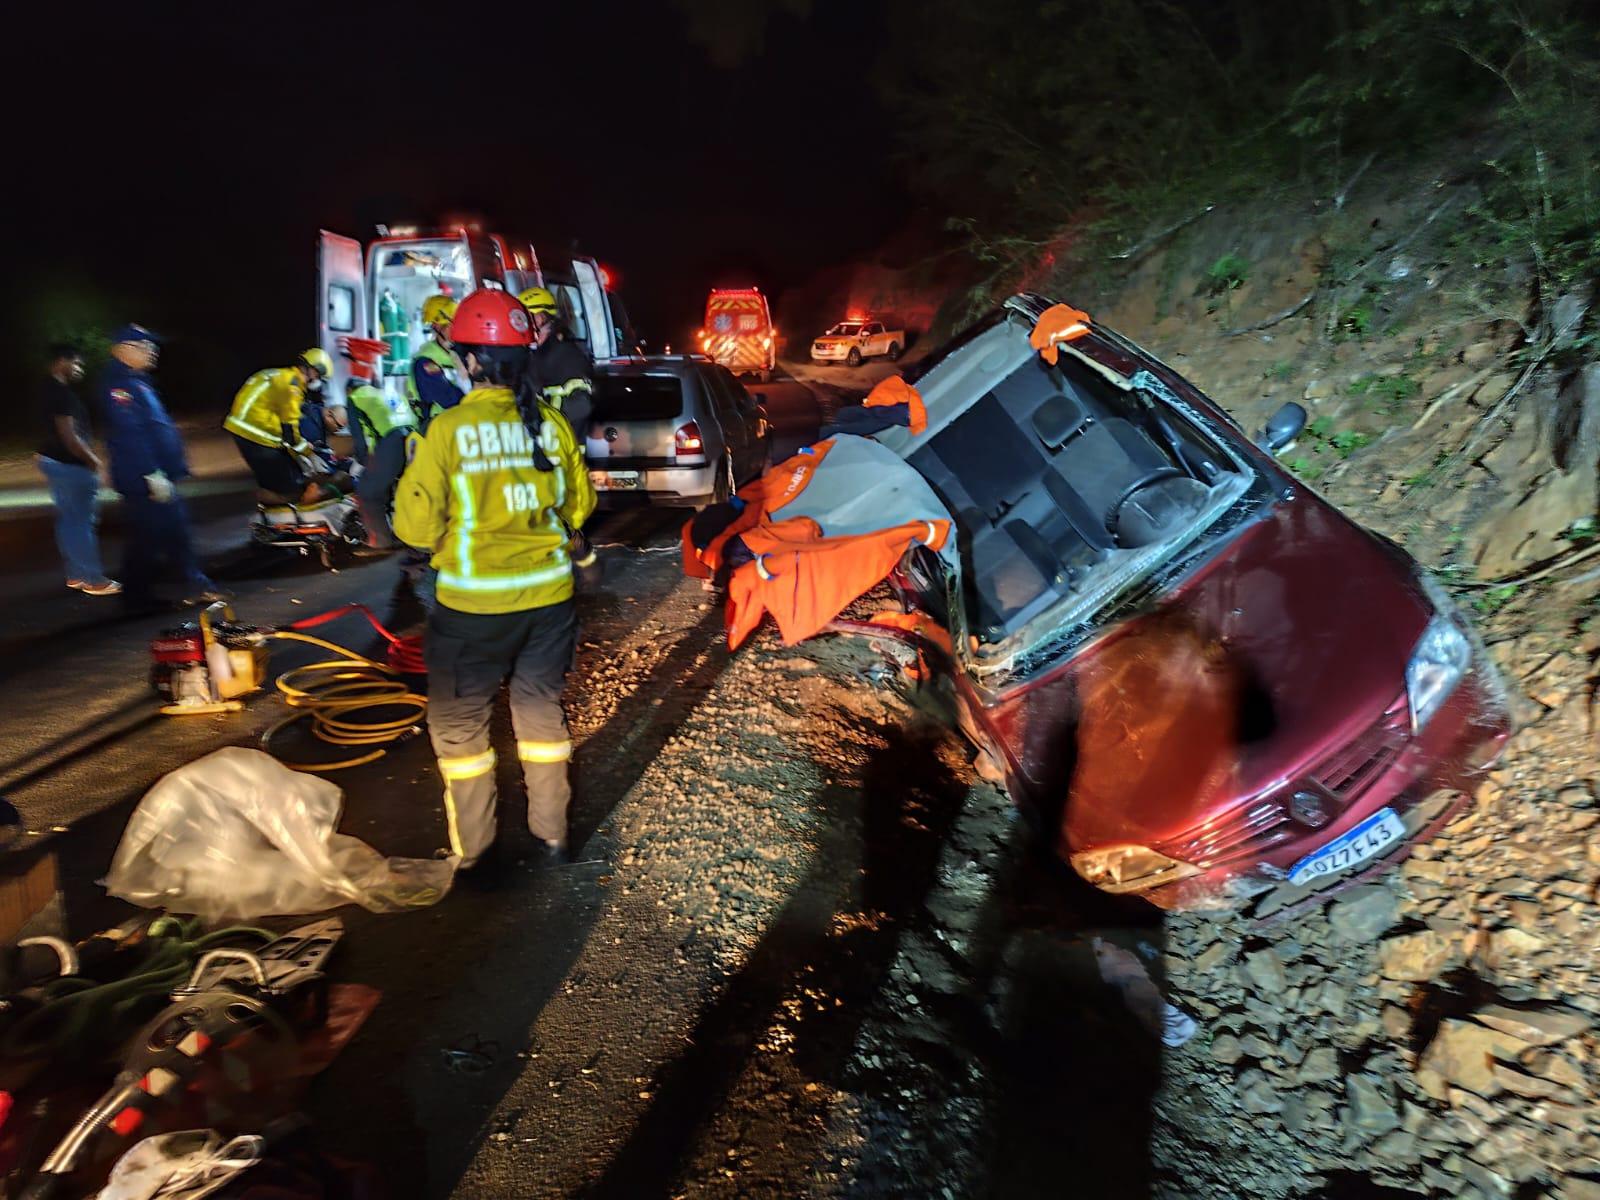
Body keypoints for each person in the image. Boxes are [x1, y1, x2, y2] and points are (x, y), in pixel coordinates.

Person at [394, 288, 595, 873]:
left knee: (461, 733)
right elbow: (576, 509)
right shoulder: (551, 425)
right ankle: (553, 839)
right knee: (540, 716)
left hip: (470, 613)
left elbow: (413, 525)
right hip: (550, 604)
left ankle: (477, 857)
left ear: (469, 360)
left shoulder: (448, 430)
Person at [97, 324, 226, 611]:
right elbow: (130, 433)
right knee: (147, 539)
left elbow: (153, 427)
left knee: (174, 533)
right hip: (143, 478)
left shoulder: (137, 381)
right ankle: (137, 599)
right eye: (145, 346)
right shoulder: (118, 385)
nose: (153, 352)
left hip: (158, 475)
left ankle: (194, 585)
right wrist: (150, 472)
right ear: (124, 349)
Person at [34, 343, 118, 595]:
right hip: (71, 466)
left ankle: (76, 575)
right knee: (82, 523)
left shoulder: (43, 390)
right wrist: (95, 462)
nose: (80, 368)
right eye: (77, 363)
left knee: (68, 521)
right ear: (62, 361)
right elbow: (70, 437)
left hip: (52, 461)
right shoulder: (62, 394)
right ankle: (94, 580)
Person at [224, 348, 339, 502]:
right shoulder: (293, 387)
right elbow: (290, 431)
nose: (319, 382)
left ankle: (267, 513)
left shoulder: (281, 375)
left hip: (244, 428)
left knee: (273, 479)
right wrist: (307, 454)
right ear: (312, 370)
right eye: (320, 377)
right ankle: (279, 517)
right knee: (291, 488)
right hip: (256, 433)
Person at [344, 357, 416, 554]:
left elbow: (360, 437)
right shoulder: (387, 394)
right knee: (401, 489)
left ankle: (380, 542)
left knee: (368, 492)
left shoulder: (355, 398)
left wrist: (362, 462)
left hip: (392, 442)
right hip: (413, 439)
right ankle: (408, 535)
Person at [519, 286, 594, 444]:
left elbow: (580, 407)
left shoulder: (563, 356)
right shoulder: (543, 353)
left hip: (560, 445)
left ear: (539, 318)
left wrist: (551, 429)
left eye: (522, 319)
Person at [407, 294, 464, 428]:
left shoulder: (460, 354)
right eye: (452, 324)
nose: (458, 328)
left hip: (460, 423)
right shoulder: (426, 362)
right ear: (437, 326)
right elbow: (448, 399)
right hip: (437, 427)